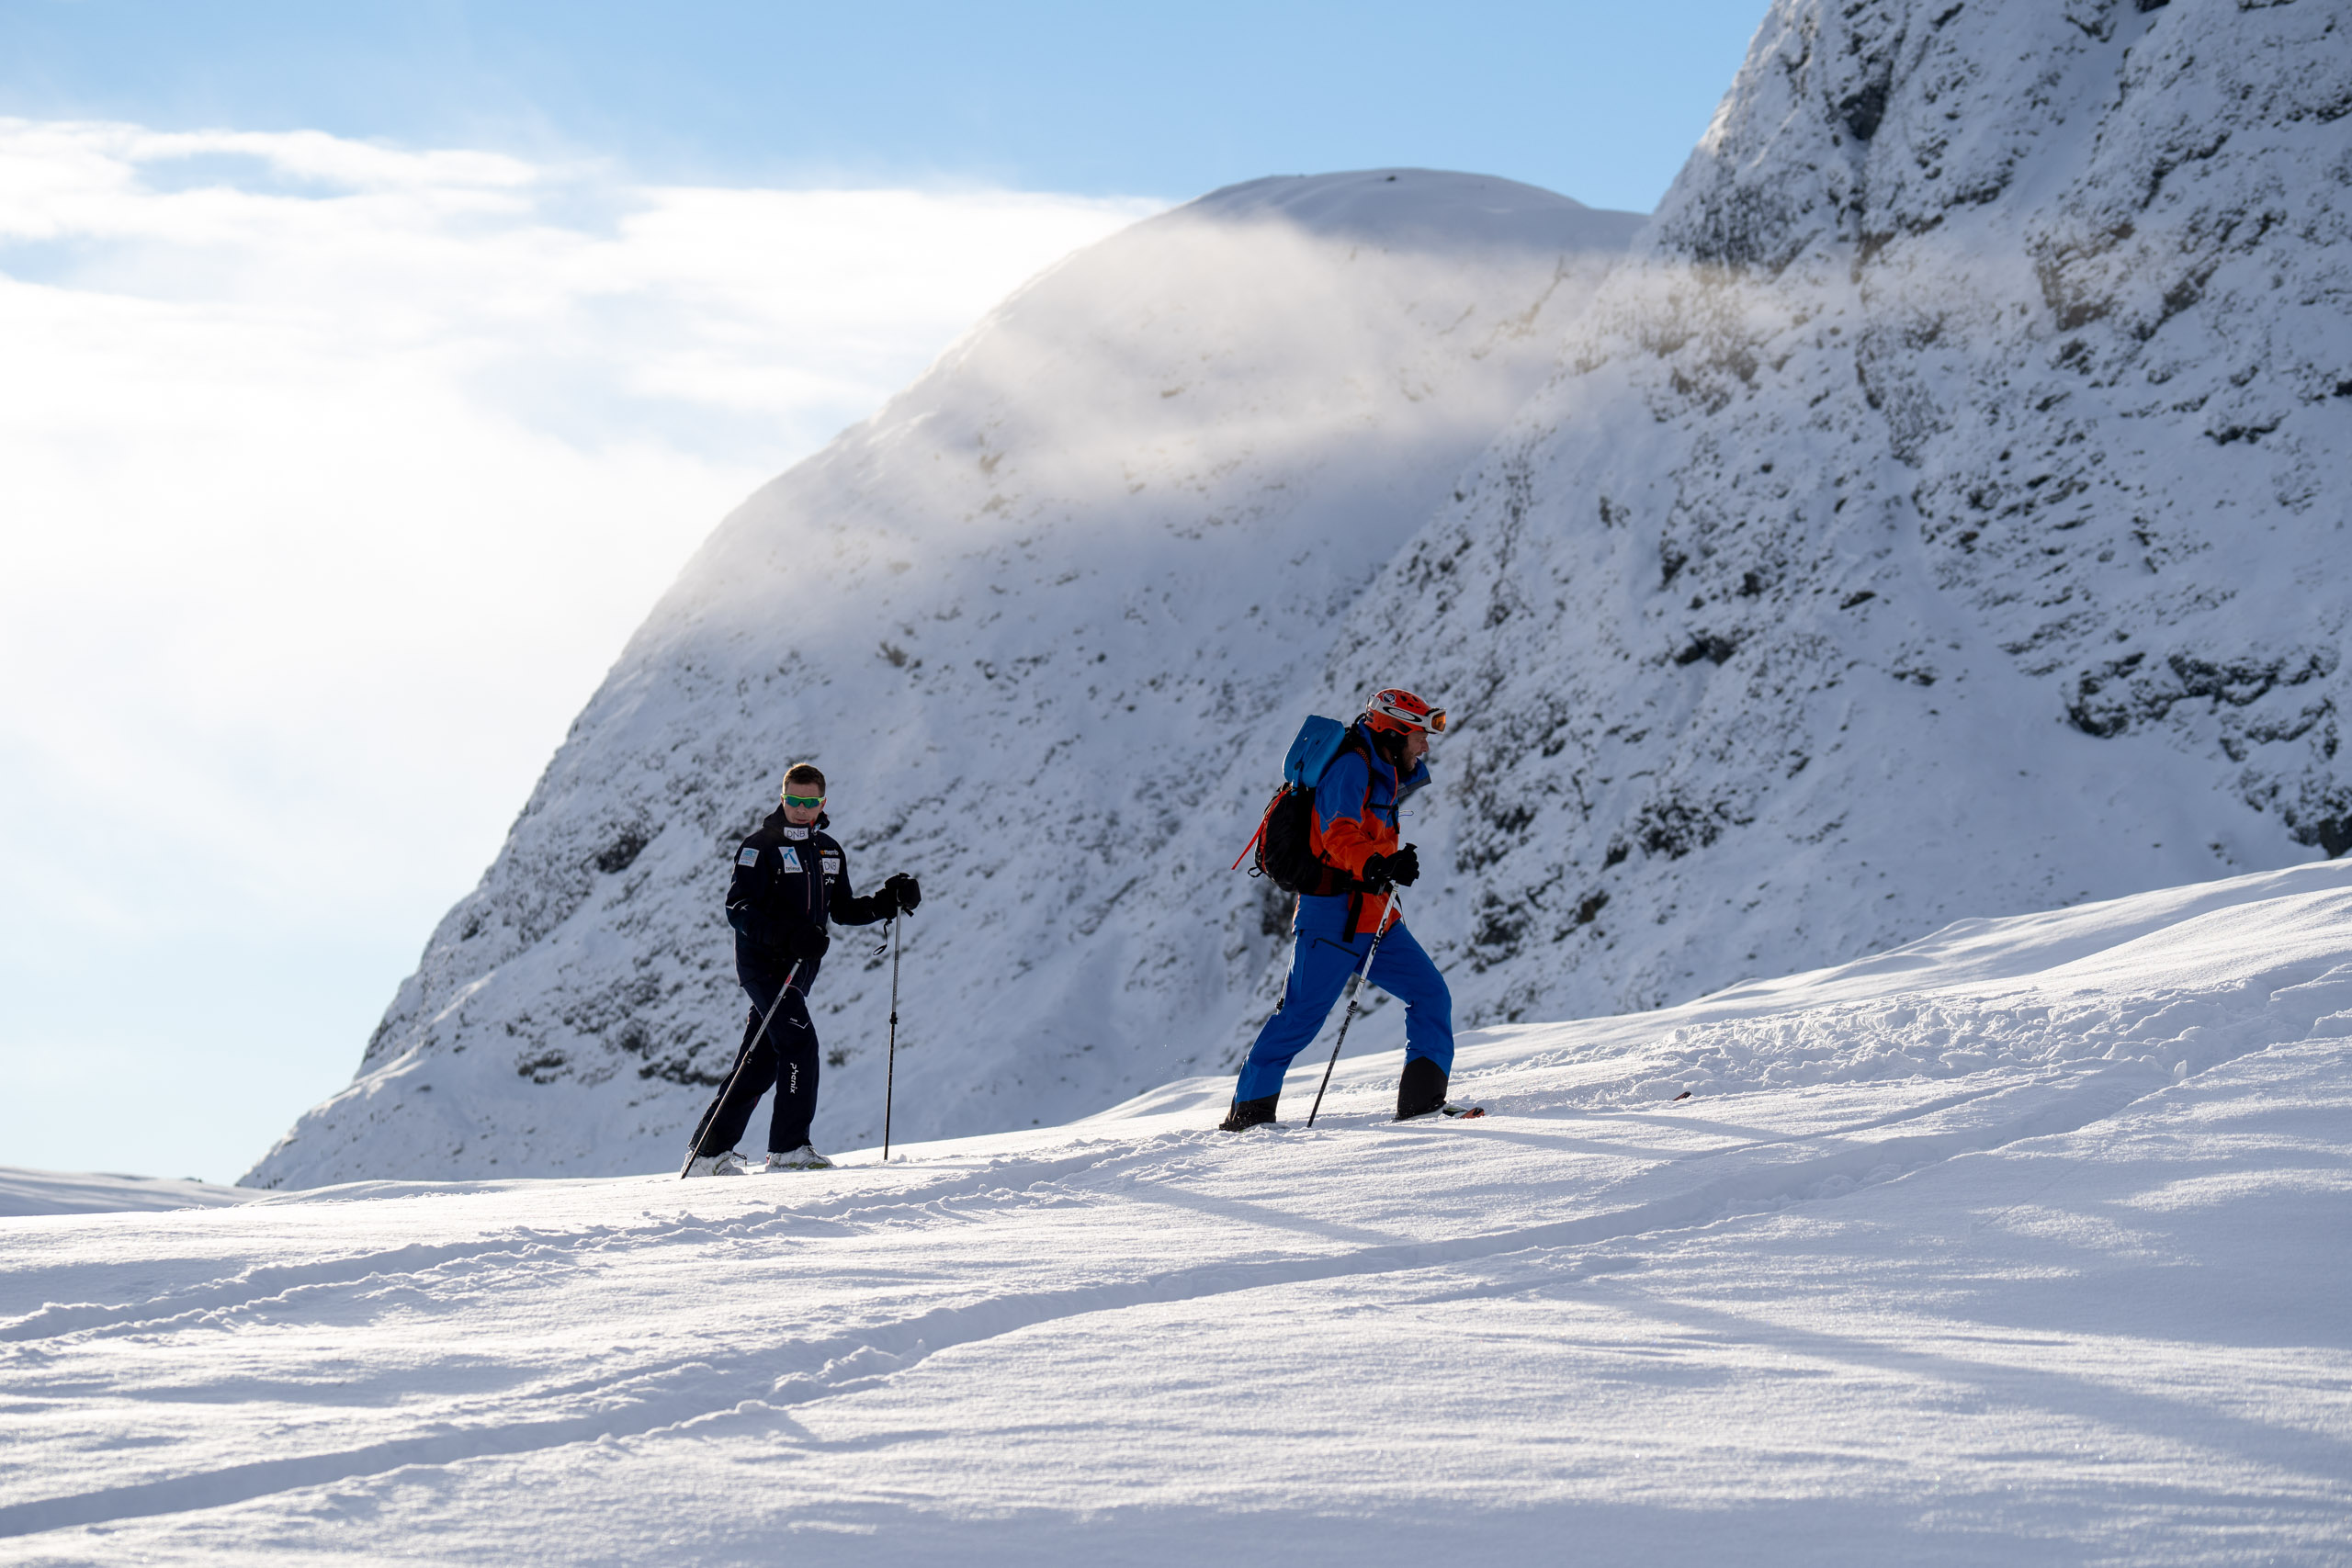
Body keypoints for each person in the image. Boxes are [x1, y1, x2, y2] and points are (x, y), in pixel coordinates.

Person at [1221, 687, 1461, 1130]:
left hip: (1376, 917)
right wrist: (1377, 863)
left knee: (1430, 994)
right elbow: (1339, 833)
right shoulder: (1352, 767)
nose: (1426, 745)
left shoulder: (1382, 766)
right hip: (1331, 919)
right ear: (1394, 732)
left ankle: (1422, 1107)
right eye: (1419, 736)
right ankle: (1248, 1118)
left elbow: (1362, 835)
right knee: (1298, 1019)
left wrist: (1389, 862)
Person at [684, 763, 921, 1175]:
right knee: (799, 1045)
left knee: (760, 1061)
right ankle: (789, 1149)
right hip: (764, 968)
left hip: (799, 973)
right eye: (793, 800)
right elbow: (737, 909)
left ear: (822, 803)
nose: (800, 809)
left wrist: (886, 902)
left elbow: (844, 911)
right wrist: (787, 938)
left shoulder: (828, 851)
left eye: (809, 802)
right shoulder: (761, 847)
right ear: (782, 798)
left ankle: (707, 1154)